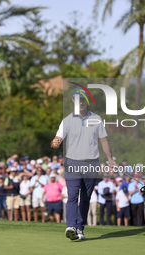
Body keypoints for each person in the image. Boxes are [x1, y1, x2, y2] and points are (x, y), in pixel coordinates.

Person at [51, 86, 117, 240]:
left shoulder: (97, 119)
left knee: (86, 197)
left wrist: (110, 158)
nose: (80, 103)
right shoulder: (66, 120)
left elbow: (104, 141)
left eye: (83, 100)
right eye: (78, 100)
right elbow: (57, 138)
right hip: (73, 163)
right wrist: (55, 142)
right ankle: (71, 227)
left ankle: (80, 229)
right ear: (73, 100)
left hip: (92, 163)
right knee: (73, 195)